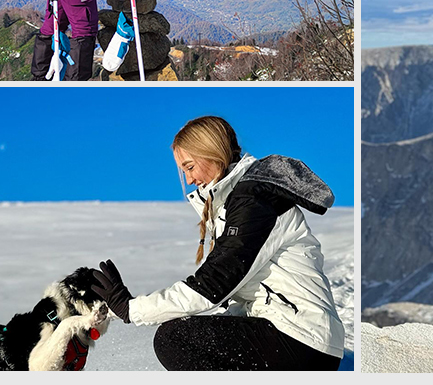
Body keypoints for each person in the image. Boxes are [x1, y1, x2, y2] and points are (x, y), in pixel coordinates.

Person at [89, 116, 345, 370]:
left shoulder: (255, 202)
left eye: (189, 167)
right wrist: (116, 310)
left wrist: (132, 309)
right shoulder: (236, 202)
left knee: (176, 339)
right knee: (187, 330)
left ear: (213, 153)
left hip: (302, 338)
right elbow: (228, 298)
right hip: (292, 336)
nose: (188, 179)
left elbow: (213, 285)